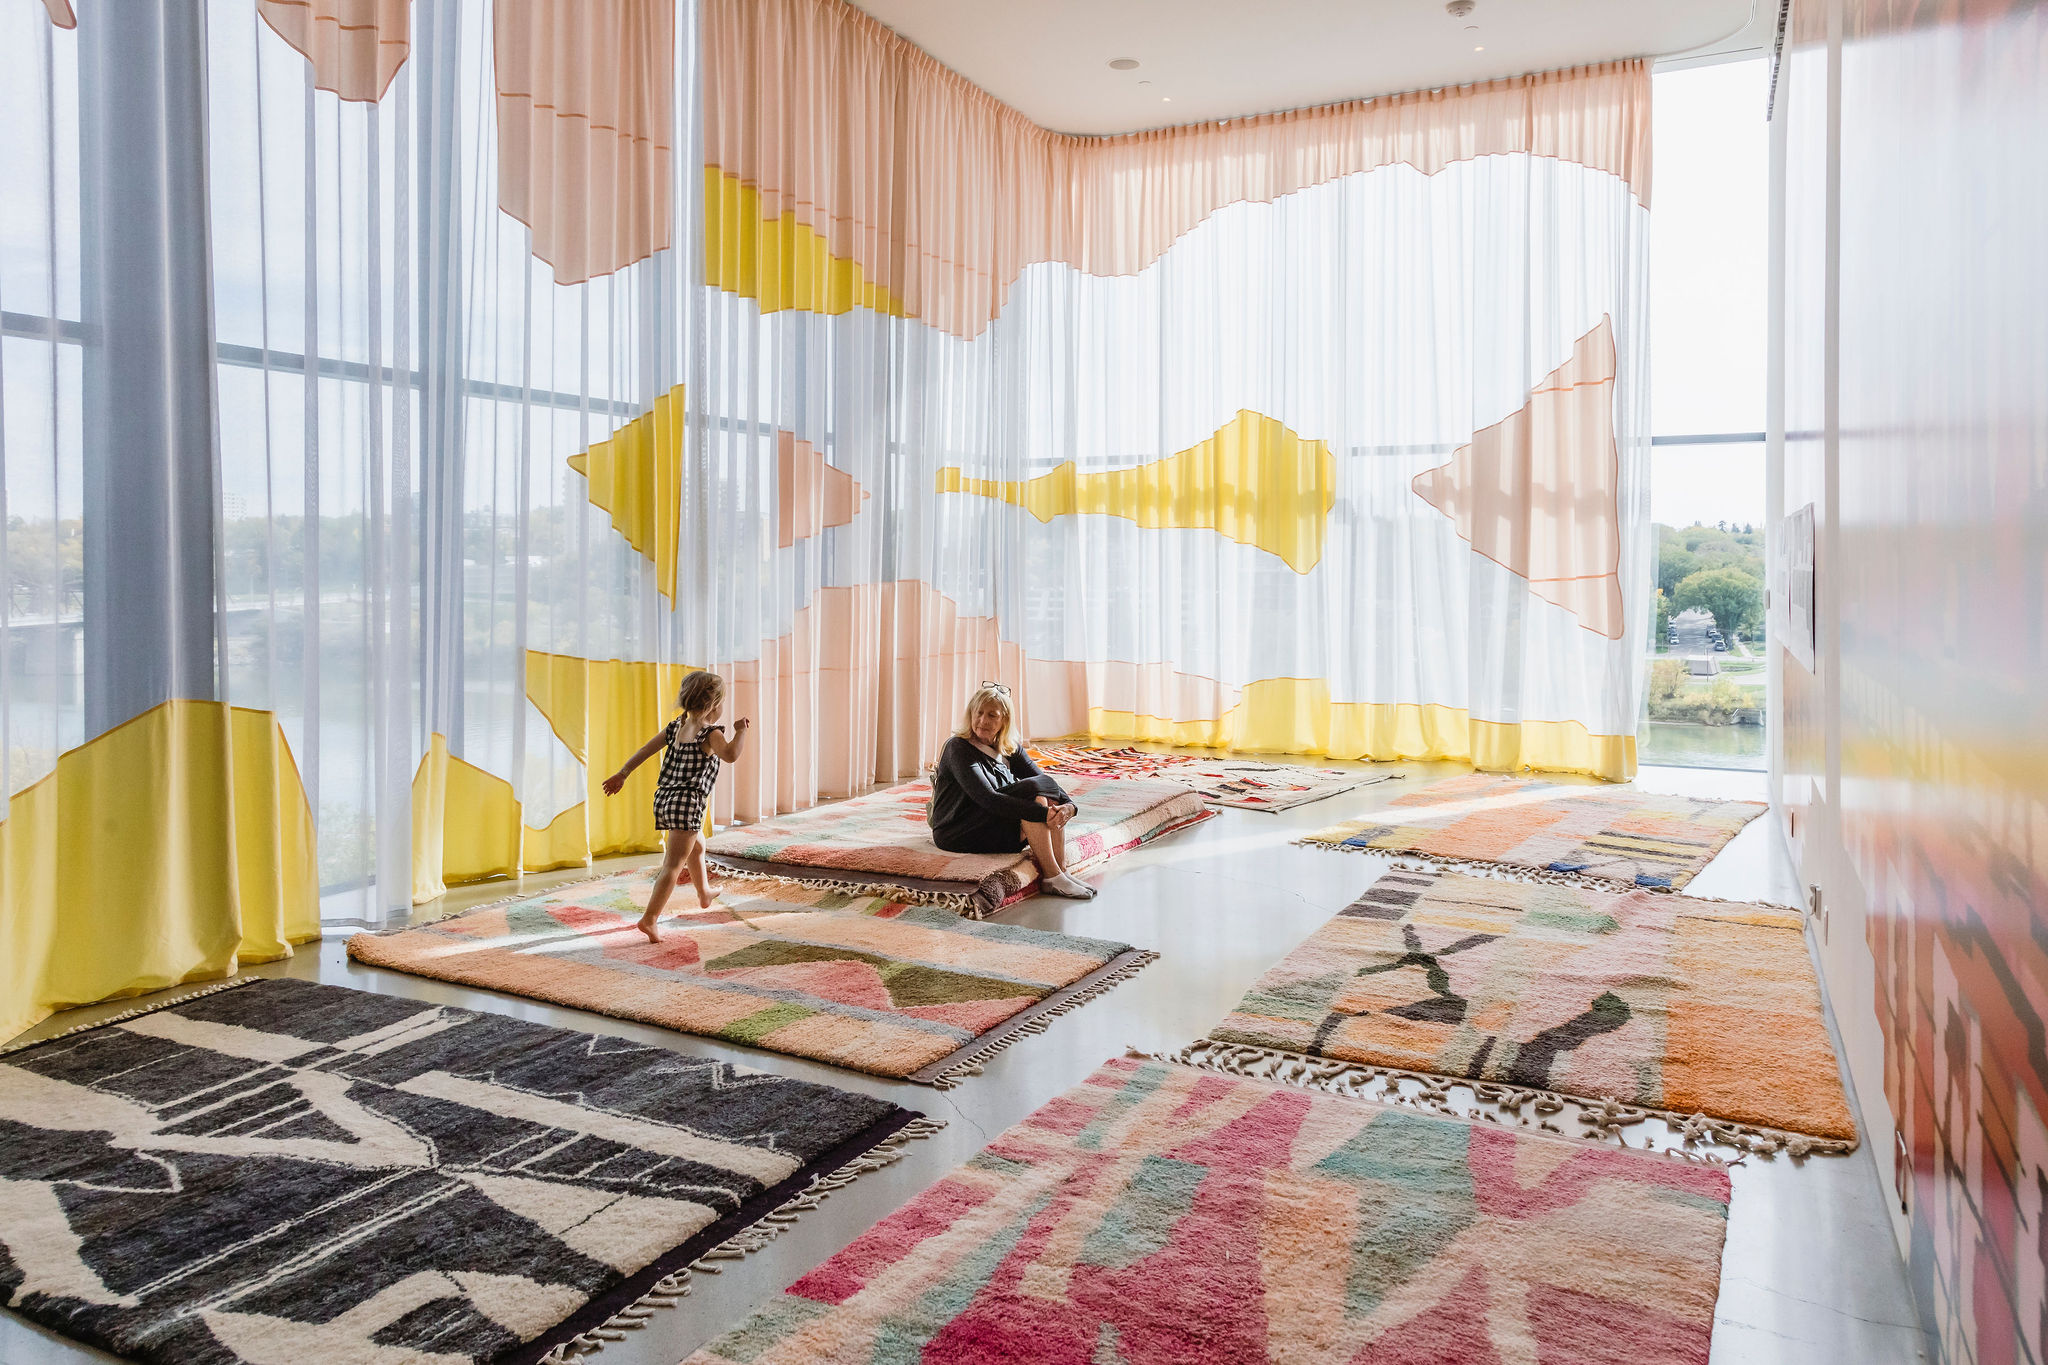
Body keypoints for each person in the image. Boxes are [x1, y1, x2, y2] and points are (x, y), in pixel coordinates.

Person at [603, 670, 750, 942]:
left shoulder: (675, 727)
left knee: (698, 846)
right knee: (672, 865)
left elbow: (645, 751)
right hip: (688, 802)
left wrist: (623, 773)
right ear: (714, 705)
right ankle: (650, 918)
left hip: (666, 798)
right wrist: (740, 732)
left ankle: (703, 892)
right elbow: (730, 755)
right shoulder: (710, 733)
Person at [928, 682, 1095, 899]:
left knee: (1039, 791)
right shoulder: (957, 748)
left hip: (992, 821)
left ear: (1004, 720)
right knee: (1033, 794)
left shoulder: (1009, 747)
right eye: (978, 713)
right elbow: (988, 799)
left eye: (992, 715)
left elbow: (1045, 781)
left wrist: (1069, 807)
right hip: (956, 831)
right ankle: (1052, 876)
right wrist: (1044, 814)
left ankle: (1061, 871)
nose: (983, 721)